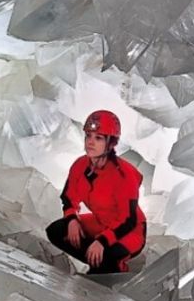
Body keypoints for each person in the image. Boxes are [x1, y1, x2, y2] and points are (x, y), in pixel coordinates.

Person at [45, 110, 146, 274]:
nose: (90, 142)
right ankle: (97, 262)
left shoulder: (123, 175)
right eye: (88, 136)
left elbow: (128, 220)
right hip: (100, 222)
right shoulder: (80, 165)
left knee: (108, 256)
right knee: (57, 230)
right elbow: (69, 198)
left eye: (98, 138)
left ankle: (111, 267)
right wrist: (72, 220)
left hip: (130, 231)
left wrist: (102, 241)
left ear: (110, 143)